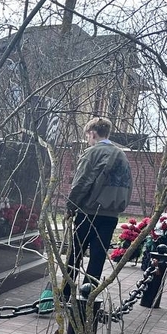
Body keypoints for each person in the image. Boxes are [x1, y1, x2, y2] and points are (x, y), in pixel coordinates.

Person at [64, 116, 132, 299]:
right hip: (111, 214)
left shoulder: (92, 153)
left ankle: (64, 293)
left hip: (89, 211)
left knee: (75, 254)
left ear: (92, 133)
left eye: (87, 136)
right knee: (98, 257)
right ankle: (89, 296)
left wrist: (71, 206)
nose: (88, 140)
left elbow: (81, 182)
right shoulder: (122, 155)